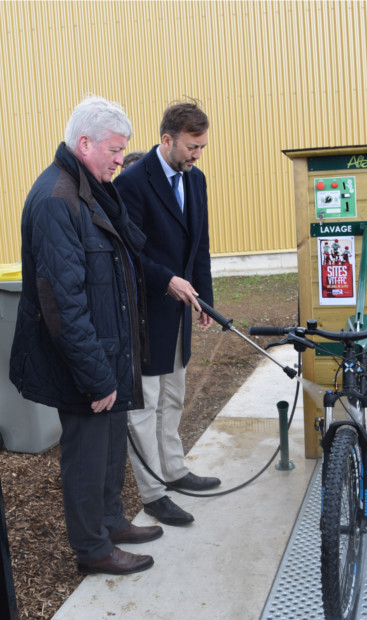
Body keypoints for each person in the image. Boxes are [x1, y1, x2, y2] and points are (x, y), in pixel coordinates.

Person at [9, 95, 162, 576]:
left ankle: (112, 520)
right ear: (84, 143)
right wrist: (98, 376)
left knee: (110, 446)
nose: (122, 160)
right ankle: (94, 549)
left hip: (106, 351)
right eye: (116, 150)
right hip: (83, 362)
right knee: (86, 456)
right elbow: (62, 303)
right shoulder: (58, 200)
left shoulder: (89, 189)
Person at [114, 99, 221, 527]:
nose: (197, 155)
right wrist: (167, 281)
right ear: (167, 140)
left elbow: (200, 247)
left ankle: (174, 470)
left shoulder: (196, 181)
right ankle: (154, 491)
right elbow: (130, 253)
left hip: (180, 312)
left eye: (202, 147)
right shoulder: (132, 184)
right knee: (145, 405)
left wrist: (204, 298)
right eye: (192, 147)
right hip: (144, 314)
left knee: (173, 396)